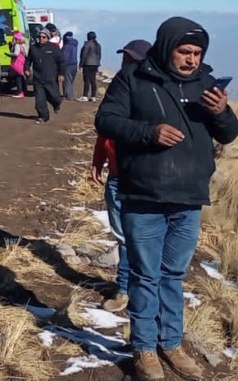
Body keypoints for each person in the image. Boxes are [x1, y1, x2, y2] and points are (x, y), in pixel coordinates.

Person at [95, 18, 238, 381]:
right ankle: (144, 350)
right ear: (166, 48)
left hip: (189, 199)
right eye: (184, 51)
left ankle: (170, 343)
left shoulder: (206, 83)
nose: (192, 60)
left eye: (197, 53)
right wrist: (149, 133)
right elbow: (106, 120)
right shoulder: (133, 79)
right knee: (145, 276)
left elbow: (230, 133)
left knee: (172, 276)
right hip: (144, 195)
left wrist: (221, 111)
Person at [89, 38, 151, 313]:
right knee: (125, 238)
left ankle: (138, 289)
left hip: (142, 178)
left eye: (132, 60)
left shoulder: (152, 95)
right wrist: (98, 161)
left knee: (140, 238)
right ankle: (126, 290)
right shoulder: (118, 90)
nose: (126, 64)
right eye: (125, 59)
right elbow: (105, 129)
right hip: (116, 176)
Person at [26, 29, 64, 123]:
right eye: (39, 37)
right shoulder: (33, 48)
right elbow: (28, 61)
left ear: (48, 38)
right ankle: (43, 116)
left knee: (55, 97)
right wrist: (26, 69)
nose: (41, 39)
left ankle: (56, 105)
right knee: (39, 101)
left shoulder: (54, 48)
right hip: (38, 79)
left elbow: (61, 62)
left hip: (51, 78)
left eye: (44, 37)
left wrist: (61, 74)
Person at [79, 31, 103, 101]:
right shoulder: (98, 45)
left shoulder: (87, 44)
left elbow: (84, 55)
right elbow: (99, 56)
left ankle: (85, 96)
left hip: (87, 64)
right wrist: (98, 63)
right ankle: (93, 97)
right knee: (93, 80)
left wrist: (81, 64)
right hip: (95, 64)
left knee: (86, 80)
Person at [61, 31, 79, 100]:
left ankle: (69, 96)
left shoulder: (66, 46)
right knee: (70, 81)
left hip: (67, 65)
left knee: (67, 81)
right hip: (74, 64)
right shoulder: (75, 44)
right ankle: (67, 94)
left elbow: (64, 57)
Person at [9, 31, 28, 98]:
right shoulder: (23, 45)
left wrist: (8, 54)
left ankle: (20, 92)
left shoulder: (17, 45)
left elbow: (16, 54)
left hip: (16, 63)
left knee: (17, 77)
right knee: (20, 77)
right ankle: (22, 91)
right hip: (21, 63)